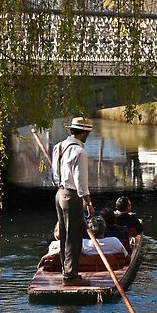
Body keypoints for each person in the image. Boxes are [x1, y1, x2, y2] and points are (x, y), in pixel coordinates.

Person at [52, 116, 95, 286]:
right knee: (73, 237)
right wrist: (88, 203)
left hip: (60, 193)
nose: (88, 136)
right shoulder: (79, 152)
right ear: (83, 132)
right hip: (72, 196)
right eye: (87, 133)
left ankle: (67, 272)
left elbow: (54, 174)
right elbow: (81, 182)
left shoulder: (58, 147)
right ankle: (70, 276)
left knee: (64, 235)